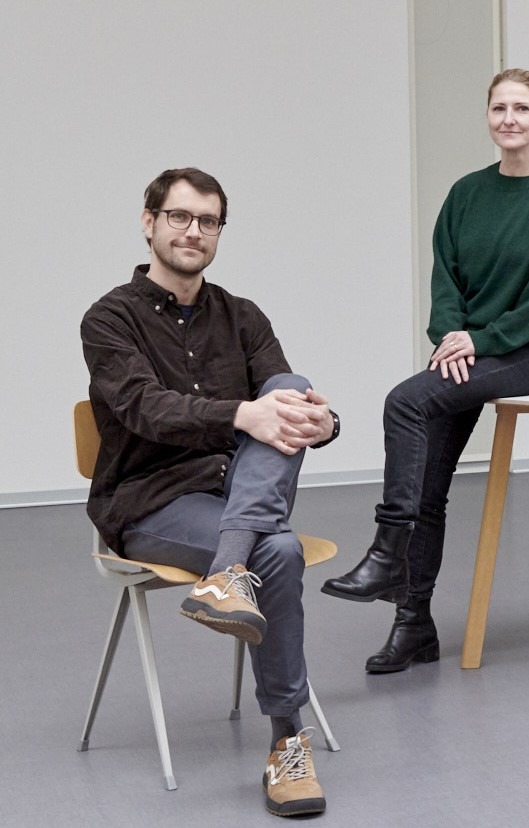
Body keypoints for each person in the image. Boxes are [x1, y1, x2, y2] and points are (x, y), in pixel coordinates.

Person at [81, 168, 336, 816]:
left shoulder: (242, 317)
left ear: (220, 231)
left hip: (233, 493)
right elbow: (145, 408)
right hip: (151, 499)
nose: (193, 231)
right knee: (277, 549)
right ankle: (288, 740)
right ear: (149, 222)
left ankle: (228, 573)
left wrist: (325, 423)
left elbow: (287, 405)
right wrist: (242, 415)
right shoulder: (109, 318)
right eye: (179, 216)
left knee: (291, 385)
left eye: (208, 221)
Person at [321, 69, 529, 674]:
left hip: (527, 353)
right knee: (429, 491)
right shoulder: (466, 193)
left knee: (404, 401)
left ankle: (386, 551)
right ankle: (413, 626)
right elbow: (445, 277)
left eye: (522, 108)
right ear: (488, 117)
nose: (509, 119)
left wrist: (483, 339)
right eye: (499, 108)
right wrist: (451, 337)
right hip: (468, 351)